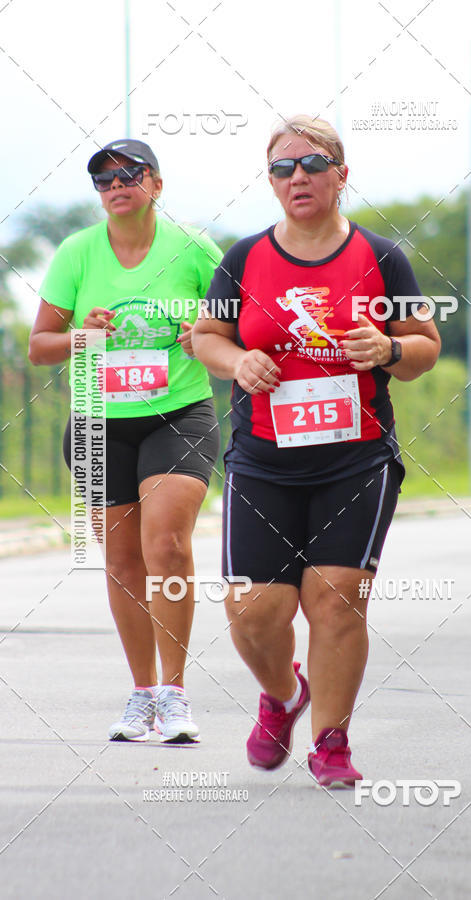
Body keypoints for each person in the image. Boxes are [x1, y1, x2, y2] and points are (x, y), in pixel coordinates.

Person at [192, 116, 441, 786]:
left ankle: (332, 739)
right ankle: (282, 695)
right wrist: (239, 361)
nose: (297, 177)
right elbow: (206, 336)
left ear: (340, 174)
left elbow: (424, 346)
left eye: (311, 164)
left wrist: (388, 349)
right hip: (263, 458)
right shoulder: (243, 258)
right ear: (271, 182)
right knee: (253, 609)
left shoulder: (380, 256)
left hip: (355, 458)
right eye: (282, 168)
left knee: (336, 597)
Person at [29, 139, 222, 743]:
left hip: (178, 412)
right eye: (103, 179)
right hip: (97, 420)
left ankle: (176, 692)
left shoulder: (192, 247)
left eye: (130, 174)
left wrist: (206, 334)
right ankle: (142, 696)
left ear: (156, 185)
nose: (116, 185)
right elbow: (40, 347)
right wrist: (82, 335)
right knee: (122, 560)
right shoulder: (76, 253)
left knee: (166, 543)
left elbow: (243, 321)